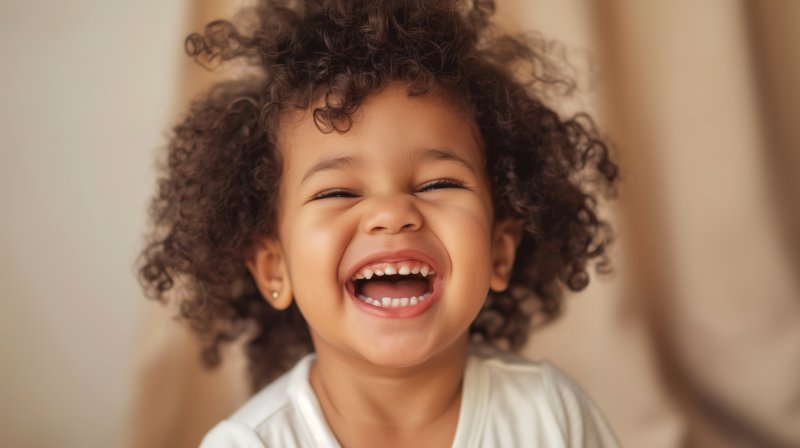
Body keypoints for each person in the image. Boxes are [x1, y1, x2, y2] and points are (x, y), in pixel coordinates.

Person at [138, 0, 620, 446]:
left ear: (499, 251)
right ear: (273, 269)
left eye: (437, 184)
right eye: (338, 192)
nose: (393, 213)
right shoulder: (249, 445)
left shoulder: (552, 418)